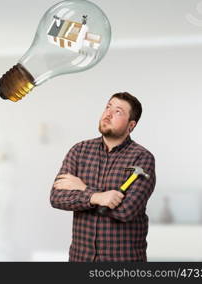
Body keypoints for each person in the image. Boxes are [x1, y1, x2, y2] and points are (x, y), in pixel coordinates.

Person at [50, 92, 156, 262]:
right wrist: (97, 197)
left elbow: (126, 211)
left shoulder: (142, 158)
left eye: (118, 111)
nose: (108, 114)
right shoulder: (79, 151)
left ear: (131, 125)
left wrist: (82, 188)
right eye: (108, 107)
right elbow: (57, 197)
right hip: (80, 258)